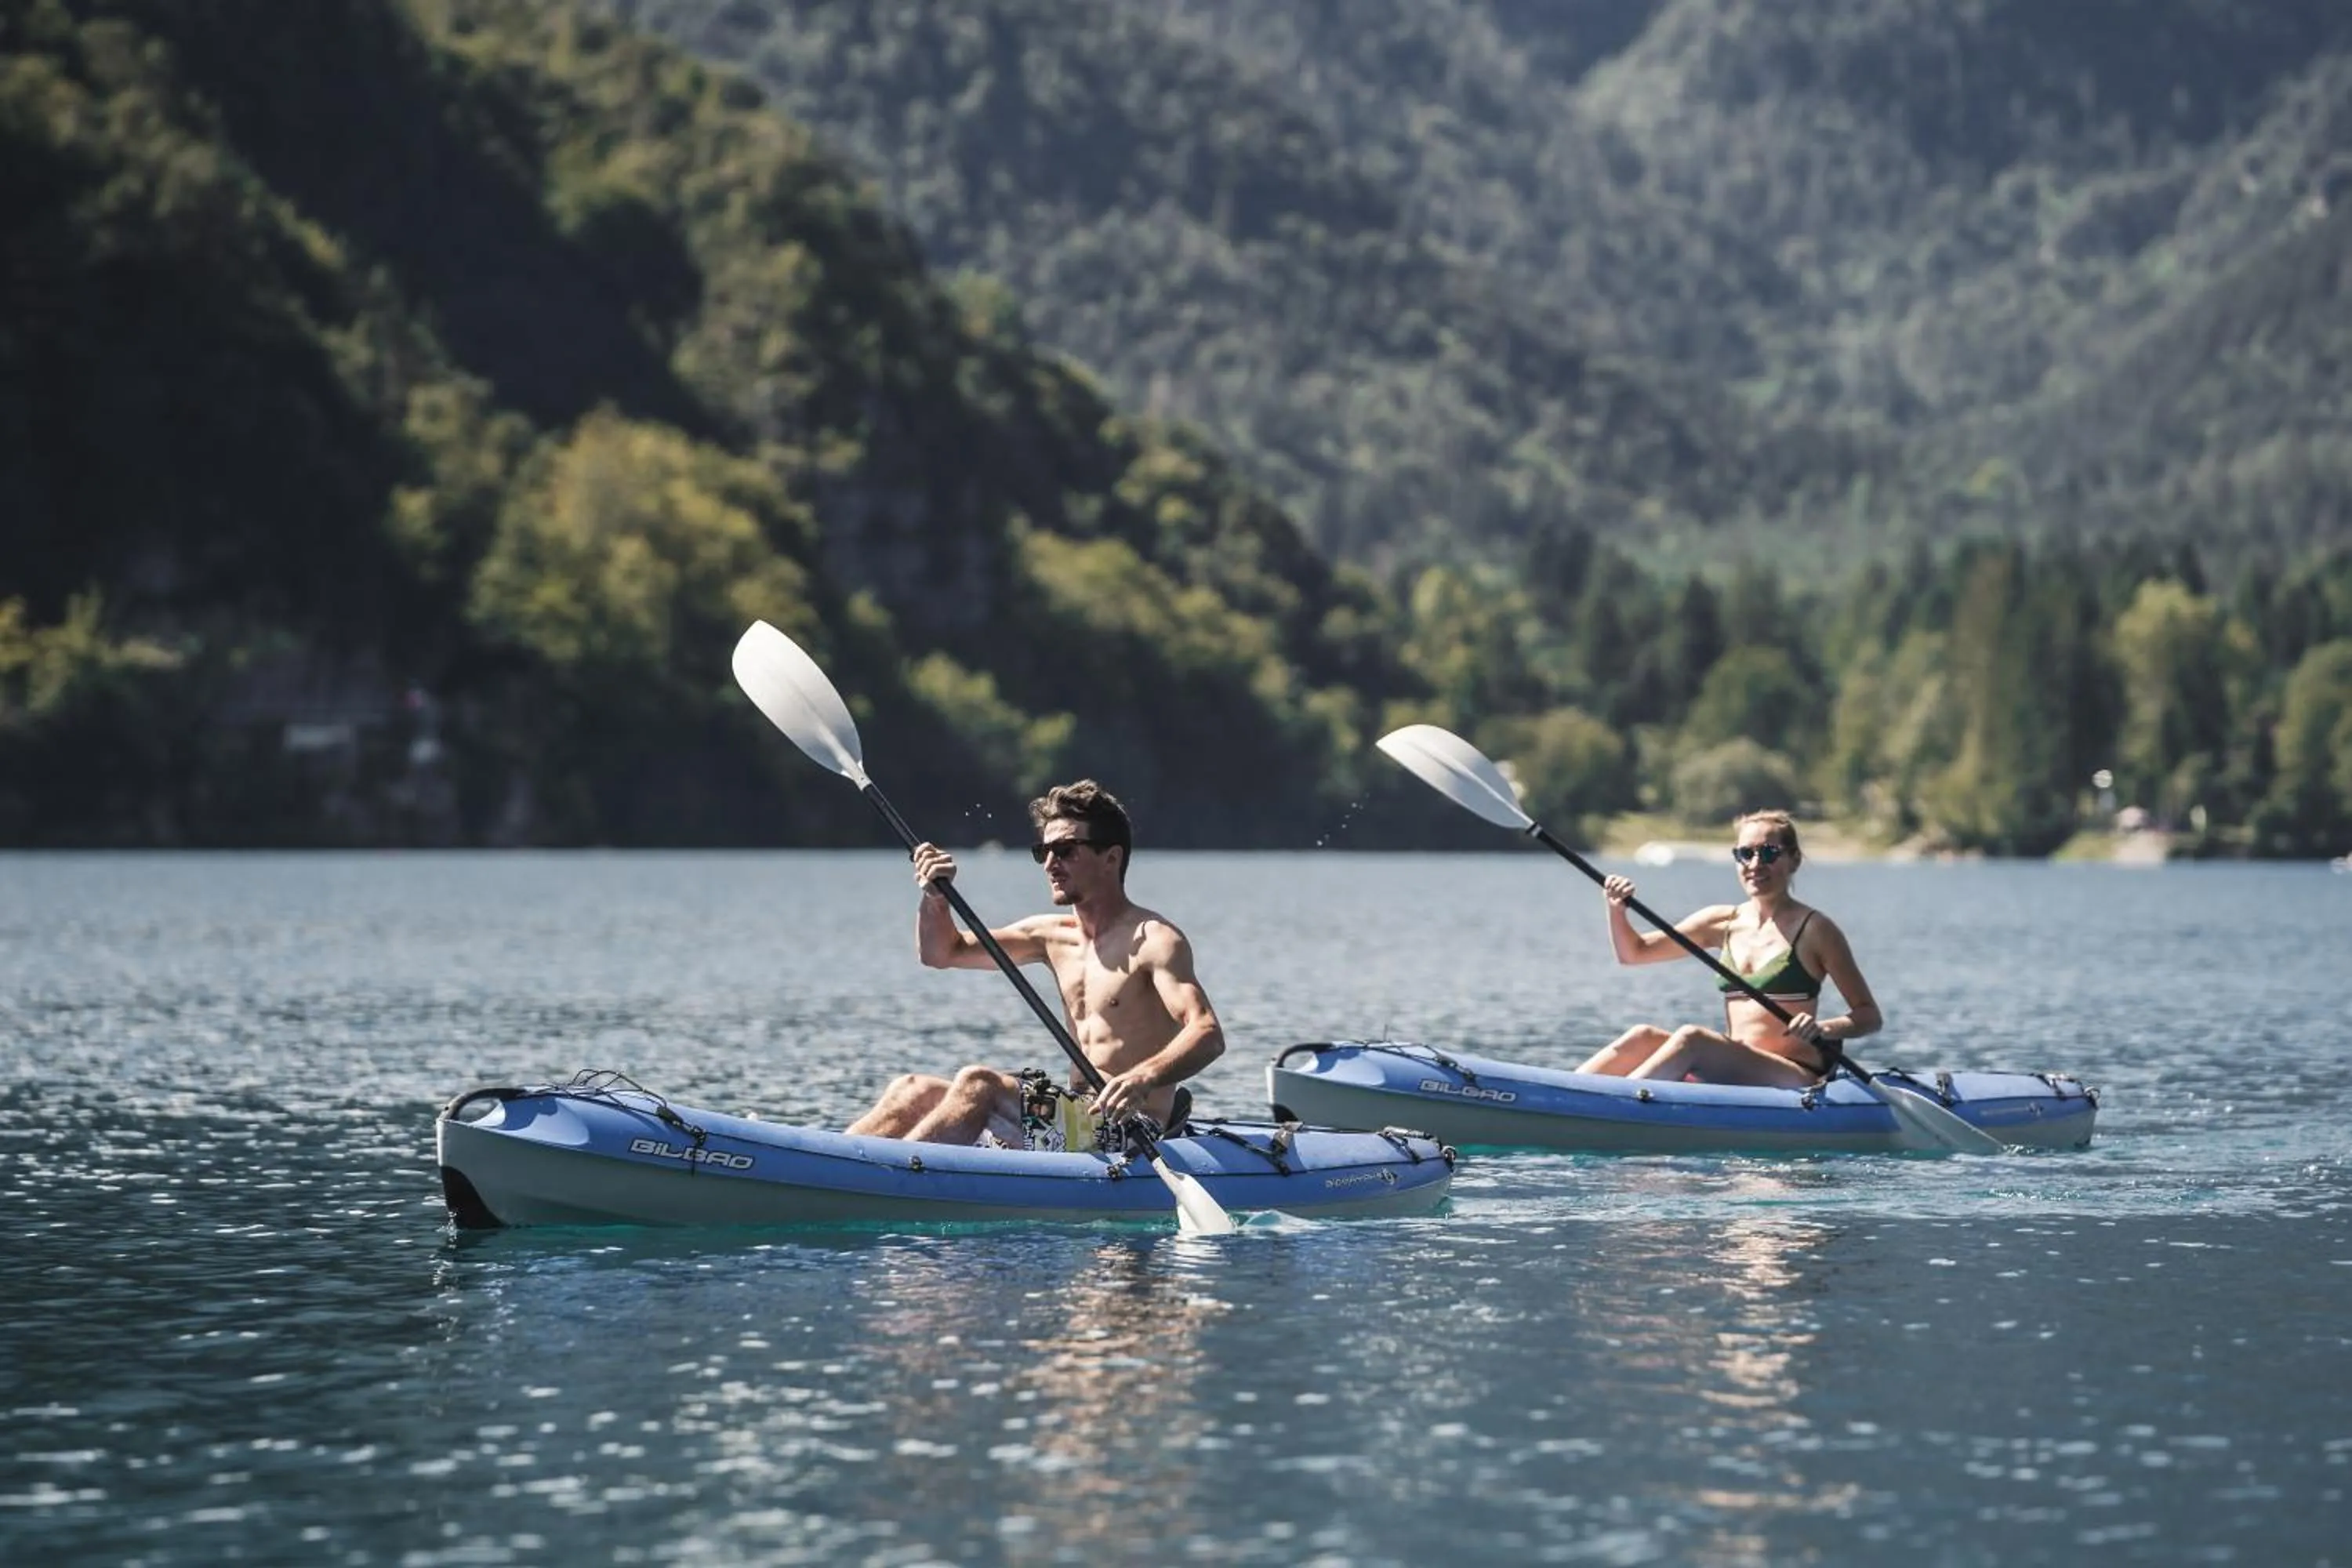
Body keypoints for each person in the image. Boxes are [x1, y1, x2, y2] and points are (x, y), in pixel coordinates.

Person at [845, 779, 1225, 1149]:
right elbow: (941, 952)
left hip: (1130, 1126)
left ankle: (900, 1178)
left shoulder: (1154, 940)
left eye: (1066, 850)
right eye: (1043, 852)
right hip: (1070, 1113)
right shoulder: (1049, 935)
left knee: (979, 1083)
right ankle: (830, 1165)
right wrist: (934, 898)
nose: (1050, 863)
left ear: (1111, 858)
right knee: (911, 1089)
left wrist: (1144, 1077)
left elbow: (1207, 1033)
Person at [1573, 809, 1881, 1087]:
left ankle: (1620, 1105)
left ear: (1794, 860)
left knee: (1693, 1039)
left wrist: (1824, 1029)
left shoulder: (1817, 930)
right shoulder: (1721, 921)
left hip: (1792, 1074)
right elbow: (1634, 953)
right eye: (1745, 854)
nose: (1756, 864)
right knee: (1642, 1037)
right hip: (1736, 1066)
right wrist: (1616, 908)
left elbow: (1868, 1016)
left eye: (1769, 853)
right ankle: (1563, 1093)